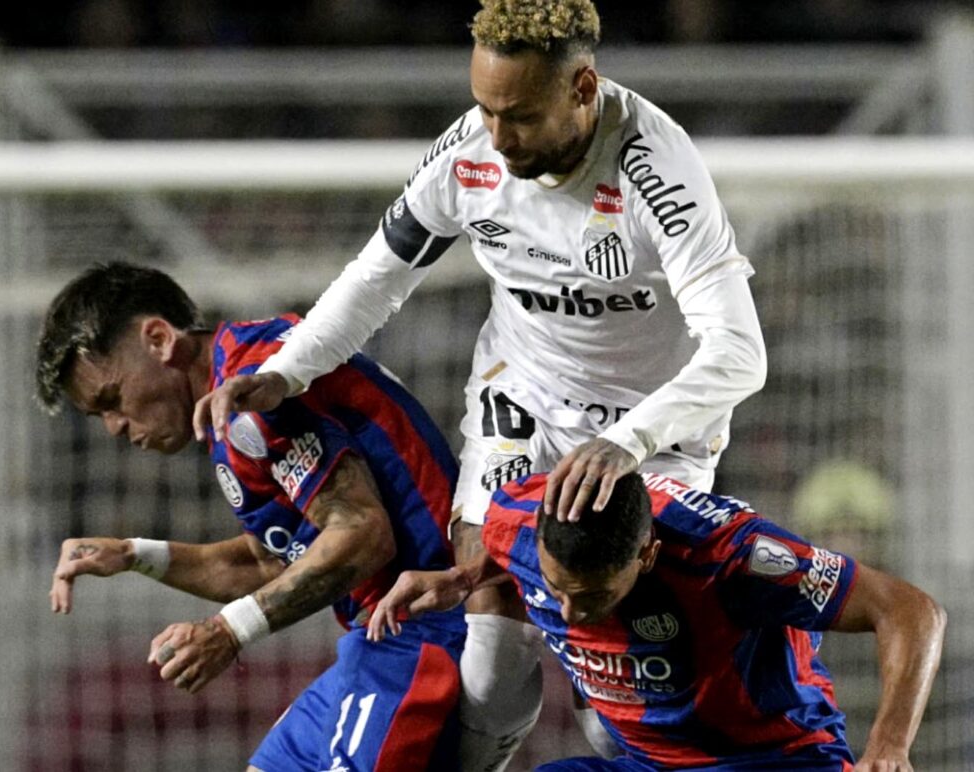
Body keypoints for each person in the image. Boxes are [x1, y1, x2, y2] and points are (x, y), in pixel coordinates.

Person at [194, 0, 766, 764]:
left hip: (649, 429)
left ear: (583, 87)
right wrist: (286, 370)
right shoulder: (468, 155)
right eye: (486, 109)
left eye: (520, 116)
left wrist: (626, 443)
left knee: (616, 704)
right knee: (489, 666)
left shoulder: (656, 170)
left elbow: (740, 353)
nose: (499, 136)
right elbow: (378, 275)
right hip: (523, 402)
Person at [36, 262, 467, 772]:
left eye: (112, 400)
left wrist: (229, 631)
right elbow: (271, 563)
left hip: (431, 627)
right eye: (99, 416)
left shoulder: (254, 393)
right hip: (382, 640)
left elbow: (364, 534)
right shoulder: (241, 381)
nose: (113, 427)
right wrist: (135, 554)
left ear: (158, 339)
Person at [368, 471, 946, 772]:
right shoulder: (516, 519)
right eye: (556, 588)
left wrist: (888, 746)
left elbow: (910, 611)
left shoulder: (732, 557)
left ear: (647, 555)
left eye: (594, 596)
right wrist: (463, 578)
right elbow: (508, 555)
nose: (569, 614)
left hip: (772, 761)